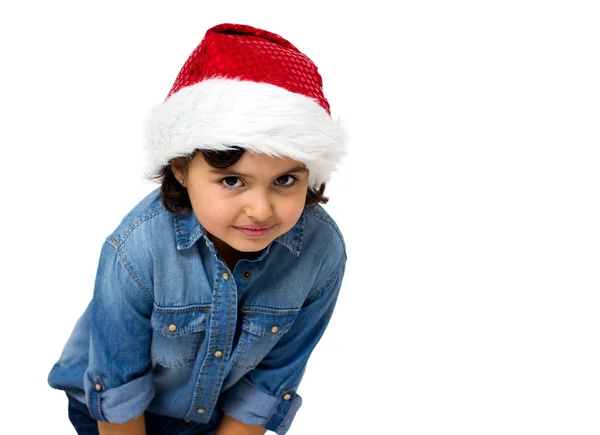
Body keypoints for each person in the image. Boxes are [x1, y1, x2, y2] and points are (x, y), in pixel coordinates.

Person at [48, 23, 348, 435]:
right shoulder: (137, 248)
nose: (260, 209)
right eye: (232, 181)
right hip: (115, 409)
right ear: (182, 168)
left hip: (216, 417)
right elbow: (116, 386)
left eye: (285, 180)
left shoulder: (321, 251)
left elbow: (272, 379)